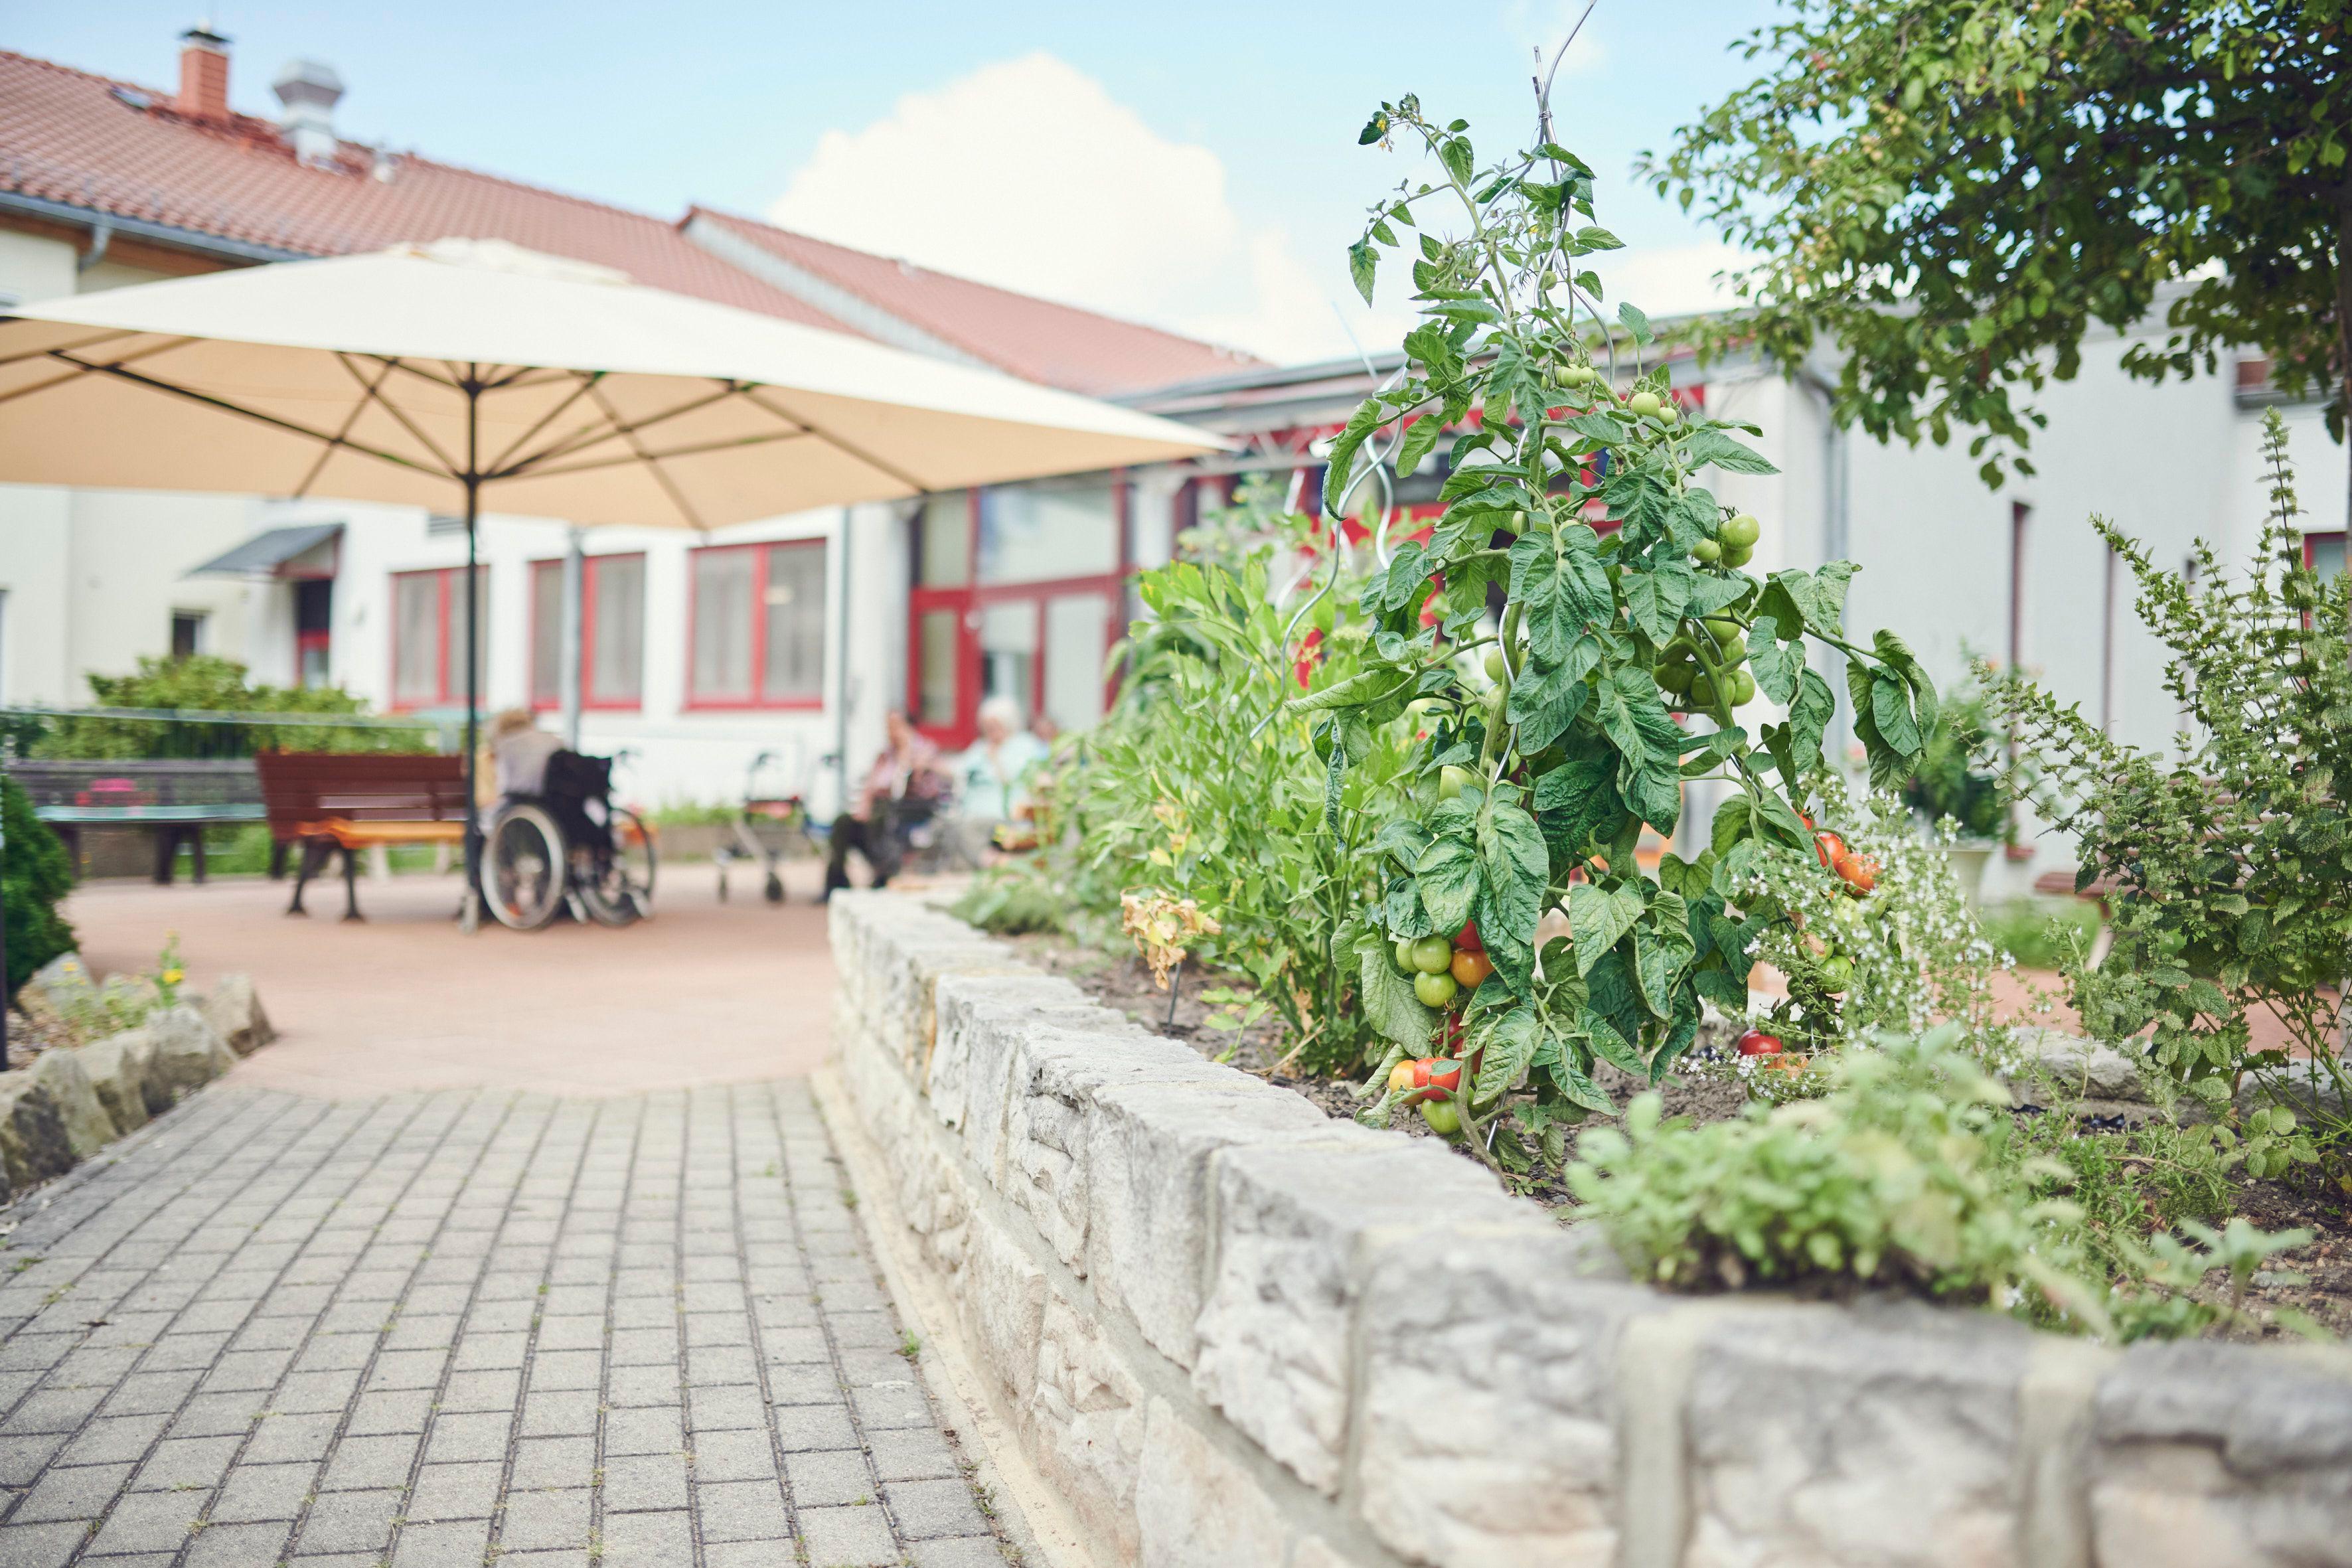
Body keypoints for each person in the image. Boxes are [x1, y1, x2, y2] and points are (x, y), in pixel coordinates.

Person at [821, 709, 947, 900]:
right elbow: (871, 786)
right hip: (880, 810)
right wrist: (863, 807)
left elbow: (909, 784)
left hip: (909, 809)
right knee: (843, 823)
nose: (891, 732)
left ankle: (883, 873)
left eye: (895, 727)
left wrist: (906, 753)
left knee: (883, 818)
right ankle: (837, 881)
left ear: (909, 727)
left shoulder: (924, 751)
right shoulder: (885, 755)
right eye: (888, 727)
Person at [948, 696, 1050, 862]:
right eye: (987, 726)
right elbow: (959, 768)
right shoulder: (981, 746)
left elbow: (1011, 780)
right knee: (954, 826)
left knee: (969, 829)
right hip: (975, 814)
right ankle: (991, 862)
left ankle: (991, 862)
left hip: (1008, 816)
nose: (990, 731)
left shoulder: (1024, 745)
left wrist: (994, 759)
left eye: (994, 725)